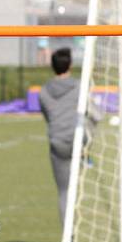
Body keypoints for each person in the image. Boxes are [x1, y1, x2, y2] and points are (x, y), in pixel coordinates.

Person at [39, 48, 80, 226]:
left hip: (58, 141)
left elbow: (48, 116)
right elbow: (94, 113)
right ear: (70, 64)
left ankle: (69, 240)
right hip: (79, 140)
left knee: (64, 191)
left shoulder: (44, 91)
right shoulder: (80, 86)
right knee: (81, 188)